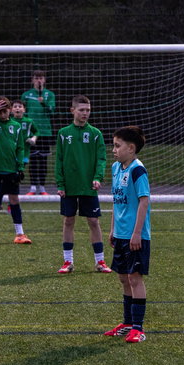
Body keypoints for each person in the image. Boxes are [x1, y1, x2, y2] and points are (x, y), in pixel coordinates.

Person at [104, 126, 151, 343]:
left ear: (131, 148)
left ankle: (138, 329)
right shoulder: (116, 168)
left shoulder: (137, 170)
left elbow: (144, 201)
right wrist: (113, 229)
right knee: (123, 278)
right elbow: (117, 202)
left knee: (134, 278)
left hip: (135, 236)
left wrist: (137, 233)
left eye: (117, 146)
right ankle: (127, 323)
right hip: (121, 234)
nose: (113, 150)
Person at [55, 95, 110, 274]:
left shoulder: (96, 134)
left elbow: (101, 159)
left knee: (93, 221)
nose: (85, 113)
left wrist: (98, 177)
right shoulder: (63, 133)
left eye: (88, 110)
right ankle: (68, 262)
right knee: (68, 220)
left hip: (89, 186)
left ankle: (100, 261)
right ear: (72, 111)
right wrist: (60, 183)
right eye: (81, 110)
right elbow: (59, 160)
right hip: (69, 186)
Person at [0, 96, 32, 246]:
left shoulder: (16, 126)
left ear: (9, 110)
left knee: (14, 200)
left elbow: (20, 148)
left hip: (11, 170)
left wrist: (20, 167)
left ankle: (20, 234)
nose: (2, 114)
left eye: (5, 111)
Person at [0, 99, 38, 213]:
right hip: (9, 155)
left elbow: (36, 131)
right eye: (15, 106)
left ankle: (3, 203)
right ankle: (3, 203)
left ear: (24, 109)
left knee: (13, 179)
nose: (17, 108)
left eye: (20, 106)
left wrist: (33, 138)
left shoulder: (29, 121)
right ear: (11, 110)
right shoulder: (8, 121)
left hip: (23, 155)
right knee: (9, 180)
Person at [21, 70, 55, 195]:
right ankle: (33, 187)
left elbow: (52, 110)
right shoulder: (26, 95)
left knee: (43, 161)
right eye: (36, 78)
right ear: (32, 80)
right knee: (33, 160)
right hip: (31, 133)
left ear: (44, 80)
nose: (39, 80)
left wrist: (43, 102)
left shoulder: (49, 94)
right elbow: (23, 113)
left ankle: (42, 188)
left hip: (45, 132)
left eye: (41, 78)